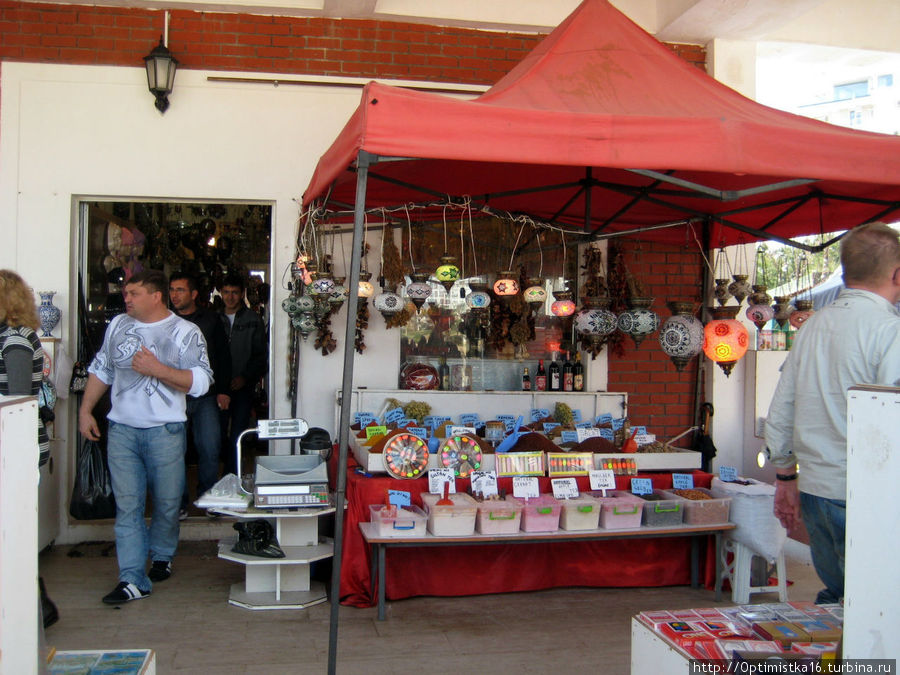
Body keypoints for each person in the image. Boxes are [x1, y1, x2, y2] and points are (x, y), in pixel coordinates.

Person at [765, 222, 900, 605]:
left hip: (816, 489)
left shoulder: (813, 327)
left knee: (840, 595)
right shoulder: (889, 331)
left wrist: (785, 475)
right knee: (875, 604)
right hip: (870, 490)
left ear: (844, 272)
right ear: (897, 274)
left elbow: (782, 406)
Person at [79, 269, 212, 604]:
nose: (127, 299)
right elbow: (102, 369)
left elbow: (202, 382)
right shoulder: (118, 326)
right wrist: (86, 410)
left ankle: (163, 555)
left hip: (165, 430)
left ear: (156, 296)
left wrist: (159, 370)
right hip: (122, 429)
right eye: (126, 293)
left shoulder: (185, 332)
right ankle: (132, 578)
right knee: (129, 506)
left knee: (168, 504)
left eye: (133, 293)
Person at [0, 270, 57, 627]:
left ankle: (34, 606)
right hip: (12, 447)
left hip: (15, 448)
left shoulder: (16, 341)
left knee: (13, 531)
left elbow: (18, 403)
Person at [169, 273, 231, 518]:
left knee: (209, 448)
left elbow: (223, 356)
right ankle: (180, 502)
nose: (175, 295)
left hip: (206, 394)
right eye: (172, 290)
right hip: (174, 395)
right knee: (175, 451)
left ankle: (207, 498)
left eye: (180, 290)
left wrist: (224, 390)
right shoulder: (165, 320)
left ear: (194, 294)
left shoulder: (211, 320)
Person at [218, 273, 267, 476]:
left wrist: (245, 377)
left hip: (243, 387)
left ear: (242, 294)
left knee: (238, 435)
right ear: (221, 293)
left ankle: (232, 478)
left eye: (235, 293)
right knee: (216, 435)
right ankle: (214, 482)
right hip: (217, 387)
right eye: (226, 292)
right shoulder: (214, 318)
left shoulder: (252, 320)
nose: (230, 297)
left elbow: (260, 355)